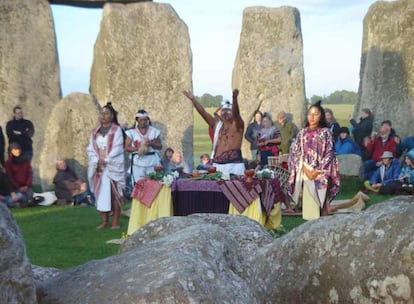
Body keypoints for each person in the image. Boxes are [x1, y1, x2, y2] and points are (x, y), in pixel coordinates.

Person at [288, 100, 340, 220]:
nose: (312, 117)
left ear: (321, 116)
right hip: (306, 172)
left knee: (322, 207)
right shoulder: (302, 133)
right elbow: (295, 153)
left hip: (322, 174)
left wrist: (318, 171)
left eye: (315, 114)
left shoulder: (326, 133)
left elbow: (329, 153)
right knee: (310, 206)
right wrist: (306, 170)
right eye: (310, 114)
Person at [183, 89, 245, 176]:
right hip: (217, 166)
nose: (225, 113)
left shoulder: (238, 125)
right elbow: (203, 113)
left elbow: (237, 114)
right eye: (223, 111)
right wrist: (193, 100)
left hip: (234, 166)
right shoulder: (217, 125)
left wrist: (234, 99)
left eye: (228, 111)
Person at [87, 102, 125, 229]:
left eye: (106, 113)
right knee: (101, 193)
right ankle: (104, 221)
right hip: (100, 167)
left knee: (115, 193)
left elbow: (118, 147)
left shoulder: (117, 130)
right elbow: (91, 148)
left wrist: (107, 159)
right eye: (102, 113)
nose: (103, 116)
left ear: (112, 116)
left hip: (113, 165)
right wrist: (97, 160)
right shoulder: (94, 132)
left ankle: (115, 221)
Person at [124, 109, 162, 184]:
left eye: (145, 120)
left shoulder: (154, 131)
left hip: (152, 162)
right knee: (139, 184)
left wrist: (151, 143)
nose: (143, 122)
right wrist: (138, 148)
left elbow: (160, 146)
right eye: (141, 120)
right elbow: (127, 148)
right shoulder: (131, 132)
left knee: (153, 184)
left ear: (148, 120)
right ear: (137, 120)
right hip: (138, 162)